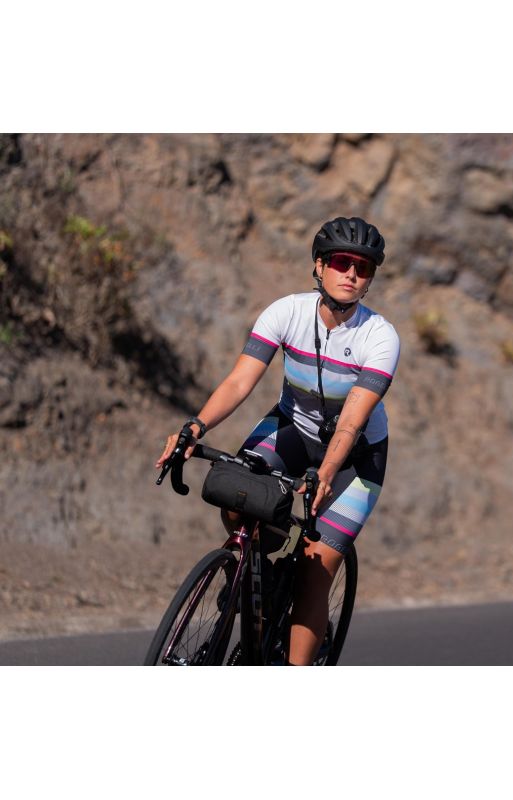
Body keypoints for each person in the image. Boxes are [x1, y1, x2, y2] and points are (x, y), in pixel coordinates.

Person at [155, 216, 400, 665]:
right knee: (238, 499)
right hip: (291, 428)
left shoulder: (379, 336)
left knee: (314, 567)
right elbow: (239, 382)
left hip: (355, 458)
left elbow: (352, 421)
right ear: (319, 265)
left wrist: (326, 473)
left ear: (370, 278)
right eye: (341, 262)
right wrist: (196, 427)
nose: (351, 274)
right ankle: (257, 579)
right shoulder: (286, 312)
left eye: (362, 267)